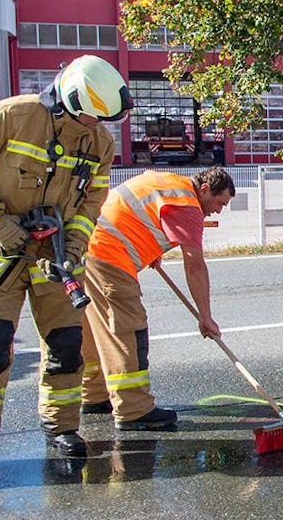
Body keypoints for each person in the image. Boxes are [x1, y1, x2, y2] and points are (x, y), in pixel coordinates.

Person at [0, 55, 124, 478]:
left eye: (101, 120)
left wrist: (75, 245)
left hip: (56, 259)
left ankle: (61, 428)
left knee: (65, 347)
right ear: (68, 99)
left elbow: (92, 202)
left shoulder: (100, 143)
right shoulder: (12, 116)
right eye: (89, 118)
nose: (94, 126)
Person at [78, 166, 236, 431]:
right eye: (219, 203)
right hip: (110, 255)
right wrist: (205, 316)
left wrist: (148, 245)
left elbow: (138, 211)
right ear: (206, 189)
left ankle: (94, 396)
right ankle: (134, 409)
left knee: (96, 330)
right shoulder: (188, 206)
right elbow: (194, 264)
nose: (219, 210)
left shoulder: (169, 182)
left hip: (86, 247)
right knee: (128, 329)